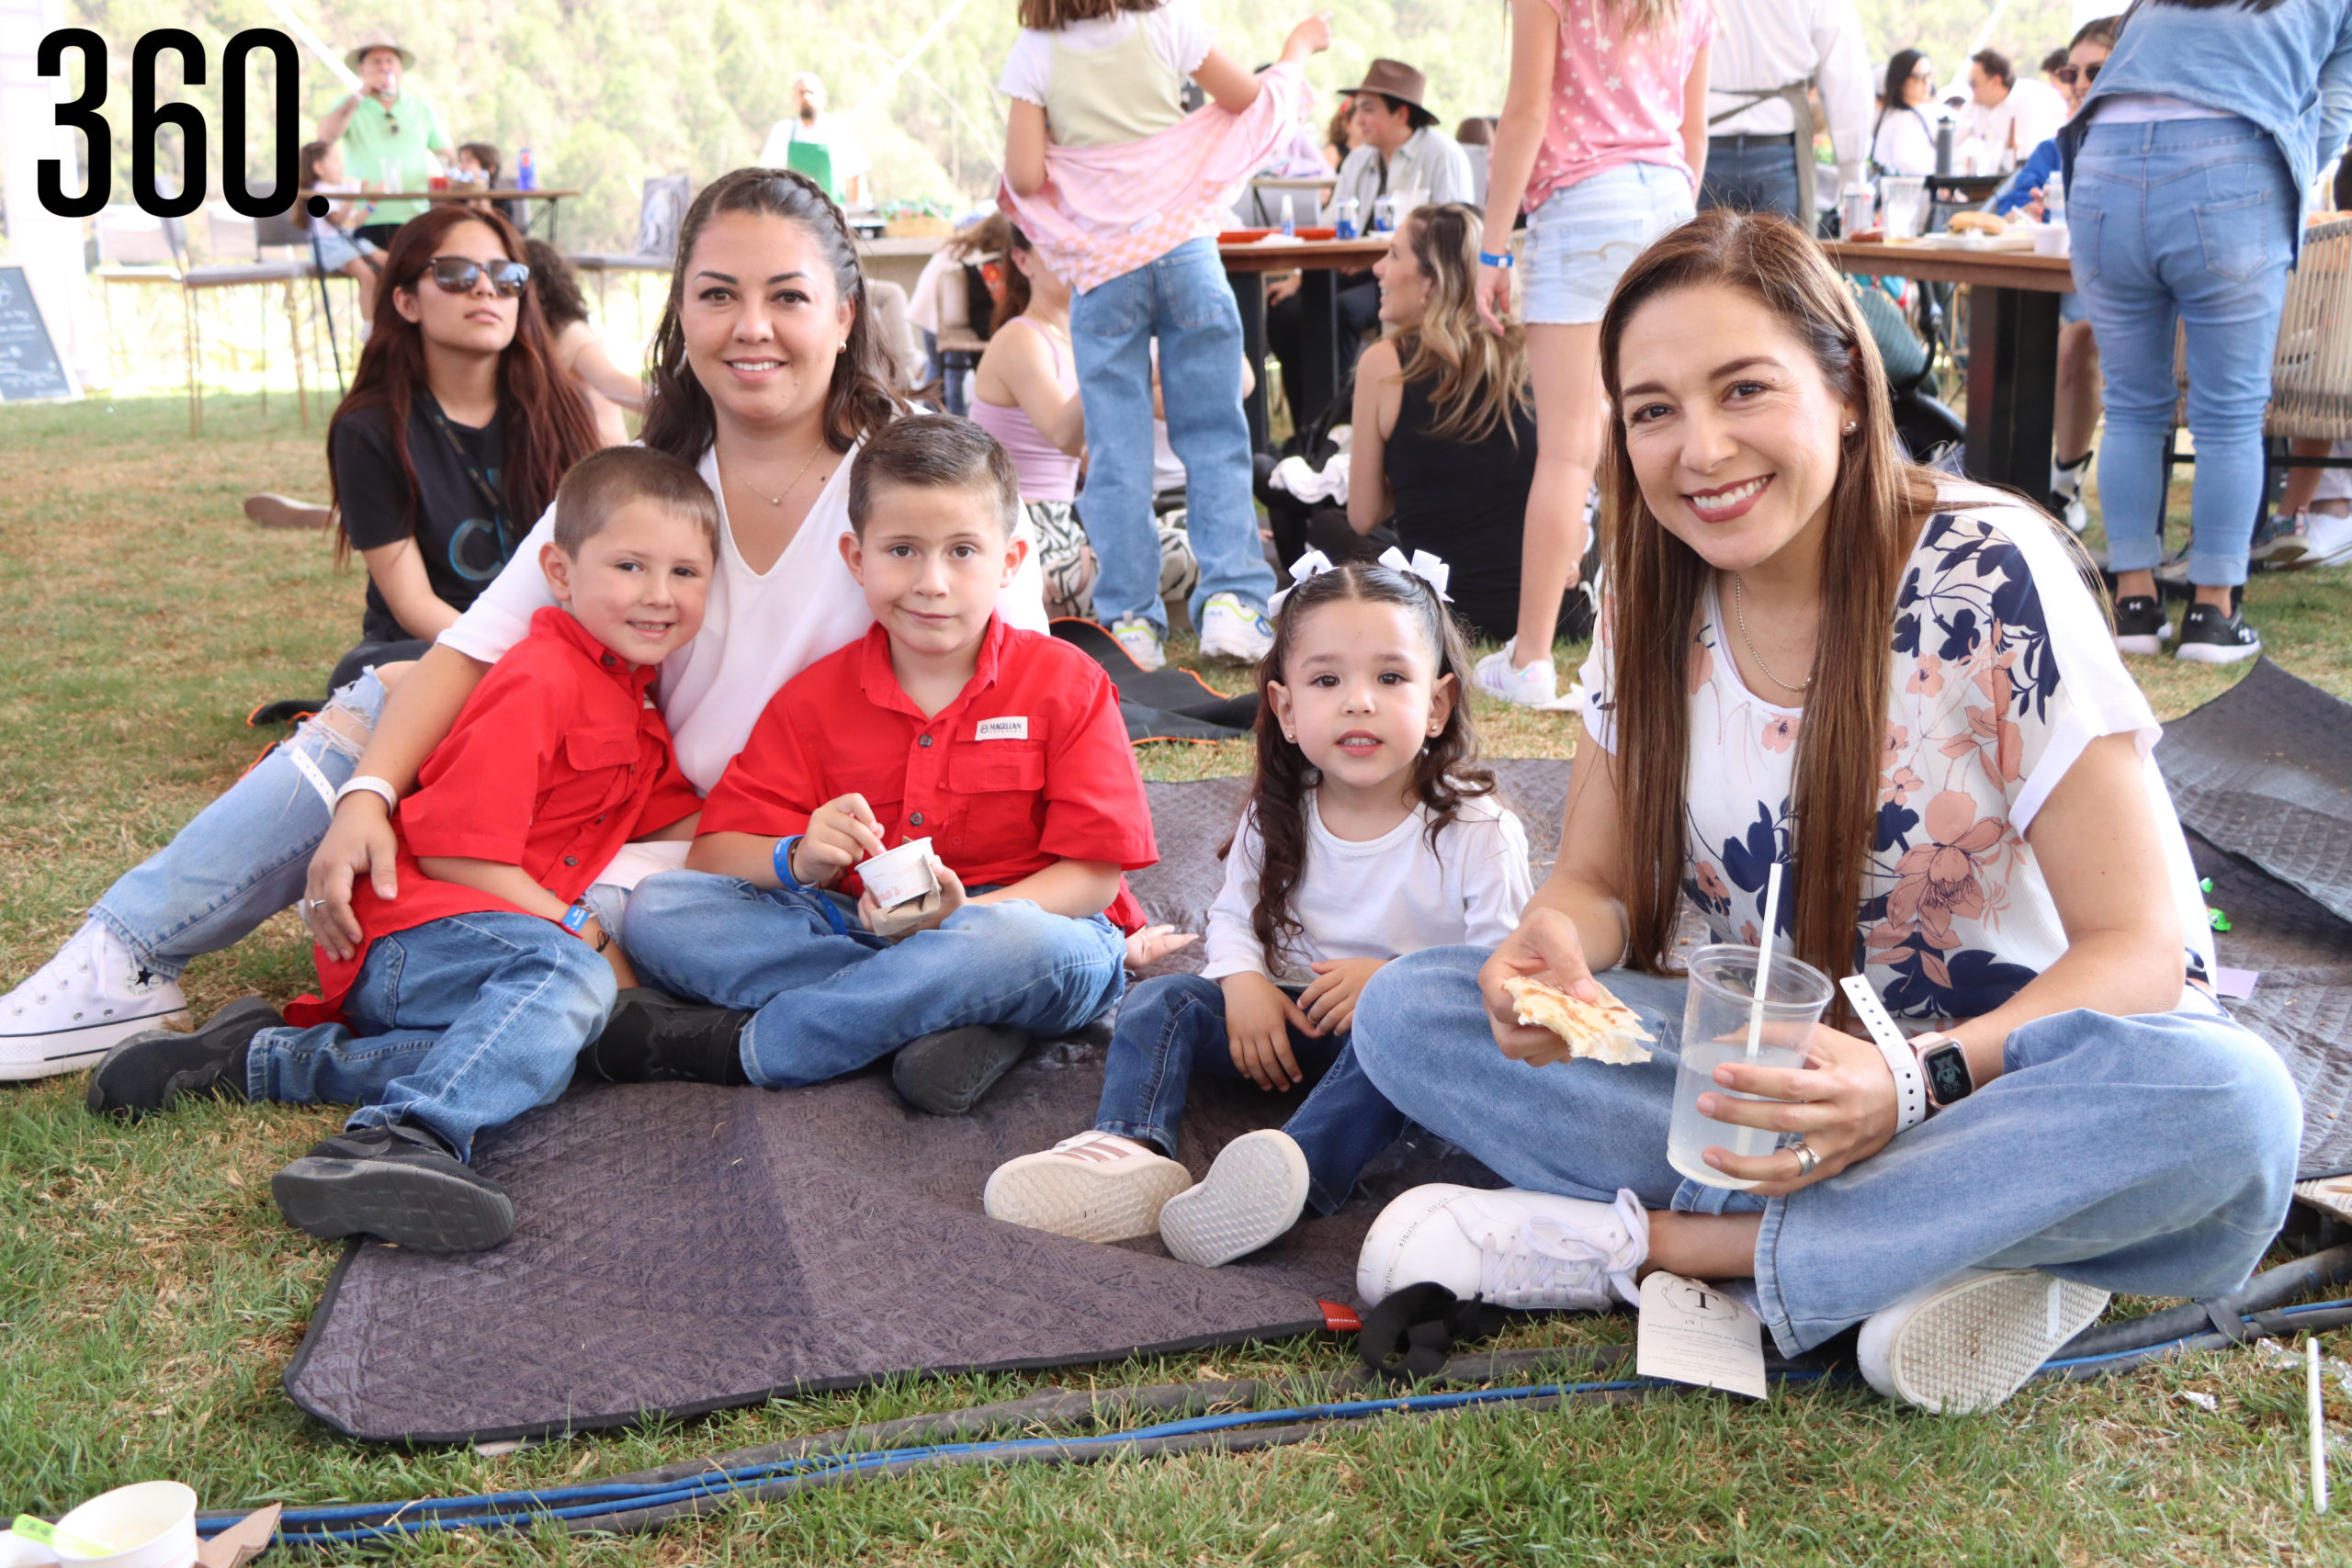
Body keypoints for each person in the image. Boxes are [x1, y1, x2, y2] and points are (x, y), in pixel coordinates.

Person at [1341, 209, 2297, 1416]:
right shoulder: (1644, 590)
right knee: (1414, 1007)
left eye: (1744, 389)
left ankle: (1677, 1251)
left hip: (2007, 1078)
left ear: (1845, 388)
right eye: (1652, 410)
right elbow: (1599, 883)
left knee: (2234, 1105)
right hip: (1760, 1077)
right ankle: (1981, 1237)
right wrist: (1555, 946)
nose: (1699, 449)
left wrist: (1907, 1085)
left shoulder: (1988, 573)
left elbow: (2143, 952)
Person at [0, 167, 1047, 1082]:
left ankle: (886, 1002)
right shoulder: (651, 480)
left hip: (804, 853)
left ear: (846, 307)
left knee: (602, 959)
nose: (751, 327)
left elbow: (1027, 692)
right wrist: (367, 795)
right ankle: (125, 958)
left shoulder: (921, 476)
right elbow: (474, 647)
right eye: (718, 295)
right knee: (388, 693)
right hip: (642, 831)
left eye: (787, 296)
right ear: (680, 312)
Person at [84, 449, 715, 1253]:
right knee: (570, 978)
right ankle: (399, 1137)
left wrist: (802, 845)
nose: (660, 595)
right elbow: (456, 854)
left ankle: (265, 1059)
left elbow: (686, 825)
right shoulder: (539, 680)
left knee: (552, 1033)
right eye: (630, 566)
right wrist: (581, 930)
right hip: (412, 934)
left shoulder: (636, 704)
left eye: (687, 573)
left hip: (482, 952)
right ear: (558, 571)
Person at [596, 417, 1153, 1118]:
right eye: (902, 550)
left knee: (1015, 946)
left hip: (1029, 928)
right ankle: (956, 1017)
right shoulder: (811, 699)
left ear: (1010, 562)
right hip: (857, 928)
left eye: (961, 551)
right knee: (662, 911)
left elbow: (1096, 877)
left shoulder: (1067, 683)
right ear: (856, 558)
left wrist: (962, 922)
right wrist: (798, 855)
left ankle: (759, 1047)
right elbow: (713, 854)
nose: (931, 581)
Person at [984, 555, 1530, 1263]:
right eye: (1327, 680)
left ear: (1437, 702)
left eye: (1390, 678)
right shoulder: (1279, 813)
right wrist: (1242, 985)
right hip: (1284, 1023)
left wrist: (1395, 984)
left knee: (1384, 1046)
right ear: (1285, 707)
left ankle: (1289, 1181)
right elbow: (1234, 917)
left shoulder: (1476, 828)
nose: (1358, 701)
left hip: (1405, 1046)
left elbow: (1501, 970)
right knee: (1161, 1004)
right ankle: (1126, 1147)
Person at [1001, 1, 1325, 671]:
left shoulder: (1035, 51)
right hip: (1186, 253)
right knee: (1214, 437)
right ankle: (1233, 604)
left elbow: (1025, 175)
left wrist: (1095, 170)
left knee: (1116, 453)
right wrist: (1294, 51)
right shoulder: (1168, 24)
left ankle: (1129, 623)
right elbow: (1252, 101)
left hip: (1103, 270)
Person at [2065, 0, 2352, 664]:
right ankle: (2213, 615)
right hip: (2232, 161)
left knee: (2133, 405)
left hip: (2102, 164)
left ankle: (2134, 607)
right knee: (2228, 413)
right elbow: (2335, 114)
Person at [1476, 0, 1713, 707]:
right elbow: (1693, 129)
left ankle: (1532, 660)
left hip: (1582, 205)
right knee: (1658, 431)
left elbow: (1525, 113)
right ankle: (1652, 647)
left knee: (1569, 452)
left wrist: (1491, 246)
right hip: (1669, 202)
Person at [320, 209, 601, 695]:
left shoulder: (562, 407)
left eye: (505, 275)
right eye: (455, 274)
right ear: (406, 302)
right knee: (365, 675)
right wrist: (515, 663)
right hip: (440, 642)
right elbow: (413, 604)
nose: (485, 289)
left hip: (558, 636)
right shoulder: (368, 428)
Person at [1343, 204, 1542, 643]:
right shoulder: (1529, 354)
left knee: (1327, 526)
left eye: (1393, 255)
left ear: (1432, 281)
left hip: (1438, 607)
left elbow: (1362, 514)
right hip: (1538, 607)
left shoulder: (1386, 363)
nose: (1377, 268)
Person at [1270, 60, 1475, 431]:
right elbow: (1329, 225)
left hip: (1414, 277)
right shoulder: (1359, 159)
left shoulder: (1441, 154)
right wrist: (1297, 277)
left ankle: (1342, 426)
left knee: (1340, 313)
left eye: (1368, 108)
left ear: (1401, 113)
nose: (1356, 118)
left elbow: (1455, 238)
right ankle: (1307, 427)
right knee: (1284, 311)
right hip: (1347, 270)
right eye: (1355, 107)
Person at [1990, 17, 2118, 534]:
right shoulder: (2056, 148)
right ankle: (2000, 481)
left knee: (2075, 340)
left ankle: (2061, 488)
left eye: (2094, 70)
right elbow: (2005, 212)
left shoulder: (2142, 148)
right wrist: (2029, 213)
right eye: (2071, 72)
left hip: (2116, 294)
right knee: (2008, 332)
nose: (2080, 83)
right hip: (2052, 286)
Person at [1700, 0, 1872, 223]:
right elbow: (1846, 74)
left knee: (1699, 257)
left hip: (1706, 144)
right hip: (1779, 147)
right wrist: (1852, 171)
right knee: (1780, 257)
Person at [314, 28, 454, 246]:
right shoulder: (349, 105)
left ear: (400, 69)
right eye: (376, 62)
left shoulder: (420, 108)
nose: (384, 67)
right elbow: (324, 137)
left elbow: (446, 154)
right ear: (362, 69)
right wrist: (360, 94)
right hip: (363, 215)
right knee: (376, 276)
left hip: (413, 213)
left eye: (390, 61)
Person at [522, 238, 646, 447]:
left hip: (602, 465)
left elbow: (612, 382)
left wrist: (679, 406)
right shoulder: (540, 339)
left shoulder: (572, 334)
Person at [295, 139, 383, 321]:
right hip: (328, 246)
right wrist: (351, 197)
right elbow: (336, 219)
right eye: (335, 160)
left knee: (386, 261)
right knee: (368, 277)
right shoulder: (318, 192)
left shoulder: (337, 191)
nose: (341, 165)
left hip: (345, 242)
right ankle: (370, 325)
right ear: (319, 167)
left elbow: (351, 223)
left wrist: (371, 203)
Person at [758, 73, 875, 208]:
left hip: (831, 217)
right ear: (793, 99)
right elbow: (767, 178)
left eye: (811, 92)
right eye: (801, 93)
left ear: (824, 98)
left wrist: (854, 218)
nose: (806, 97)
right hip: (792, 217)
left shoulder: (840, 130)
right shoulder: (781, 131)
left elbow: (857, 177)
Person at [1960, 49, 2068, 174]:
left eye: (1973, 83)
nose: (1970, 88)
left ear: (1995, 82)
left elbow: (2028, 159)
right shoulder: (1975, 106)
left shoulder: (2032, 98)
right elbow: (1950, 145)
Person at [1871, 50, 1941, 176]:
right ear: (1901, 81)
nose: (1927, 82)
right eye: (1919, 77)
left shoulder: (1898, 114)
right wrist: (1937, 176)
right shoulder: (1904, 118)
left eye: (1929, 75)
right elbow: (1905, 161)